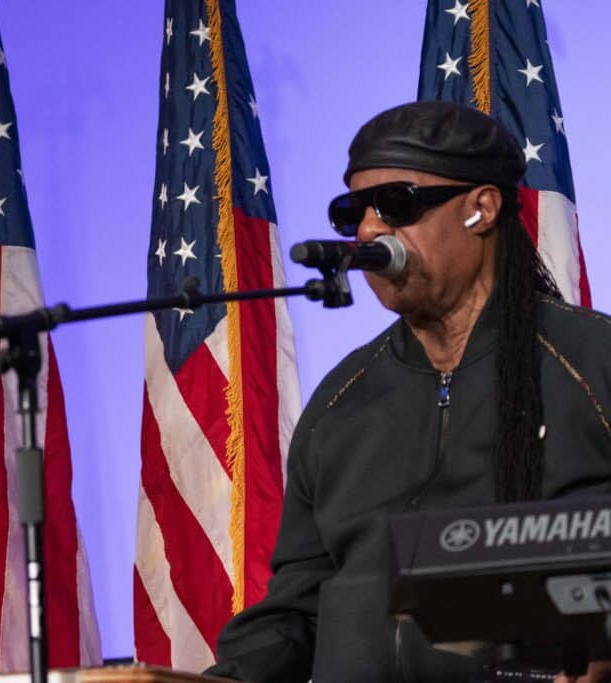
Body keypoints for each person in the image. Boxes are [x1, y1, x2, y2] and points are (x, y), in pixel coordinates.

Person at [207, 101, 611, 682]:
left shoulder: (591, 363)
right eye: (354, 212)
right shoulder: (340, 404)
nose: (371, 229)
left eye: (398, 204)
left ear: (481, 209)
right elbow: (297, 613)